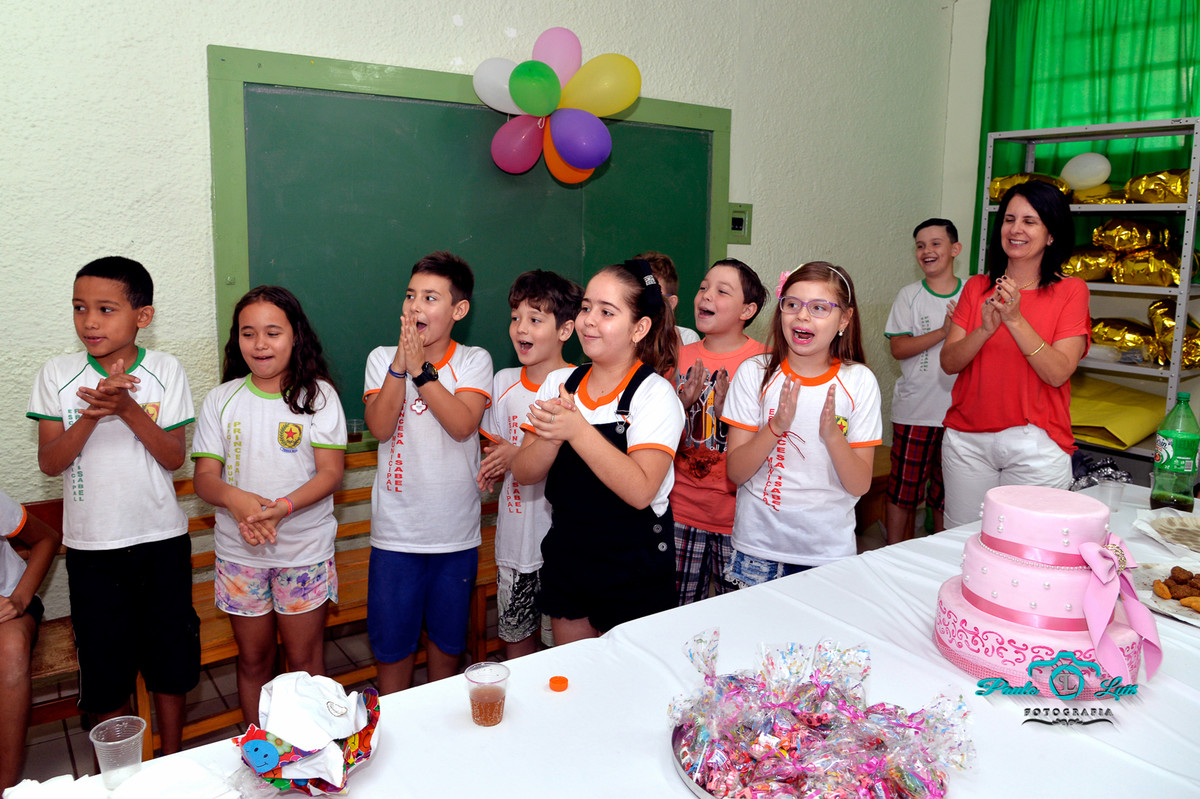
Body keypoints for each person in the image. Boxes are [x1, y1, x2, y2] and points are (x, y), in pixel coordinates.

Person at [27, 256, 199, 754]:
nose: (90, 322)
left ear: (142, 316)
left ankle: (171, 758)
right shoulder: (57, 374)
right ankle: (125, 771)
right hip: (92, 548)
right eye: (80, 308)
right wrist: (92, 413)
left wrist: (125, 409)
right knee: (105, 666)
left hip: (161, 540)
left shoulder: (165, 370)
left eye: (105, 308)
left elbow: (172, 456)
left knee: (170, 660)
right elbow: (50, 462)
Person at [192, 285, 347, 725]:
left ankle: (309, 751)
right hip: (241, 556)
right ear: (236, 339)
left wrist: (282, 506)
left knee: (304, 662)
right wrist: (235, 498)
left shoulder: (318, 396)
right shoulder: (220, 401)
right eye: (248, 333)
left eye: (272, 332)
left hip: (303, 552)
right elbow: (205, 478)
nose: (259, 344)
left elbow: (330, 473)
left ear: (295, 335)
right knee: (254, 660)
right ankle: (263, 756)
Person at [511, 259, 684, 644]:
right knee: (574, 676)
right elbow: (524, 472)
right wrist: (554, 437)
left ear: (639, 328)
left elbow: (641, 490)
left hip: (633, 563)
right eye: (587, 307)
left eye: (607, 312)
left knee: (629, 685)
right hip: (569, 554)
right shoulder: (559, 382)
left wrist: (576, 429)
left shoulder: (655, 395)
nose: (589, 320)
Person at [363, 251, 493, 693]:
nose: (415, 306)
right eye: (410, 295)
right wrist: (401, 364)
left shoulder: (474, 360)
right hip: (396, 535)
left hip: (454, 535)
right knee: (392, 645)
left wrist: (420, 369)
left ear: (458, 311)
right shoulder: (381, 358)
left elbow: (461, 425)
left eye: (430, 297)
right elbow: (380, 427)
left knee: (446, 643)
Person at [722, 262, 881, 585]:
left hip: (828, 554)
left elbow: (860, 485)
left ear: (845, 319)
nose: (802, 316)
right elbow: (736, 472)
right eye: (792, 304)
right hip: (758, 550)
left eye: (819, 308)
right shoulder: (755, 373)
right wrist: (776, 426)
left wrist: (833, 437)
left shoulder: (859, 381)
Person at [940, 181, 1086, 530]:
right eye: (1009, 219)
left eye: (1030, 221)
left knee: (1031, 547)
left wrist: (1015, 320)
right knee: (958, 543)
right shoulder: (976, 288)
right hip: (967, 441)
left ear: (1051, 235)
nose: (1016, 229)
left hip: (1036, 445)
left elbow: (1057, 373)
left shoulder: (1070, 291)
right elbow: (949, 363)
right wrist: (985, 329)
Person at [477, 270, 582, 658]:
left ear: (565, 330)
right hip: (515, 540)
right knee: (516, 645)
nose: (521, 328)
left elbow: (581, 463)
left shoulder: (579, 384)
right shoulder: (503, 381)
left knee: (561, 653)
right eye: (515, 317)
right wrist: (498, 461)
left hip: (562, 545)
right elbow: (495, 448)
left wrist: (517, 453)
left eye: (535, 319)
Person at [671, 258, 767, 604]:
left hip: (740, 518)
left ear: (748, 309)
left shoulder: (764, 363)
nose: (706, 296)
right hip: (681, 511)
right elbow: (655, 438)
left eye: (721, 291)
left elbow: (776, 442)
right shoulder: (677, 357)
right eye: (702, 287)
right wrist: (679, 406)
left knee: (738, 612)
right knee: (676, 613)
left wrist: (733, 415)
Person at [883, 219, 964, 544]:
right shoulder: (909, 295)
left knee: (948, 498)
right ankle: (891, 557)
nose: (927, 251)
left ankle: (941, 563)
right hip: (914, 412)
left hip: (959, 415)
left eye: (936, 243)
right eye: (920, 245)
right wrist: (944, 332)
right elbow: (899, 347)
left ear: (955, 249)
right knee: (903, 493)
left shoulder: (972, 292)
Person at [0, 491, 61, 790]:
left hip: (9, 601)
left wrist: (19, 599)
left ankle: (5, 787)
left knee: (10, 648)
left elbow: (46, 538)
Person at [638, 251, 701, 350]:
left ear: (671, 303)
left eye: (652, 294)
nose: (643, 302)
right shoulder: (620, 337)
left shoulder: (688, 339)